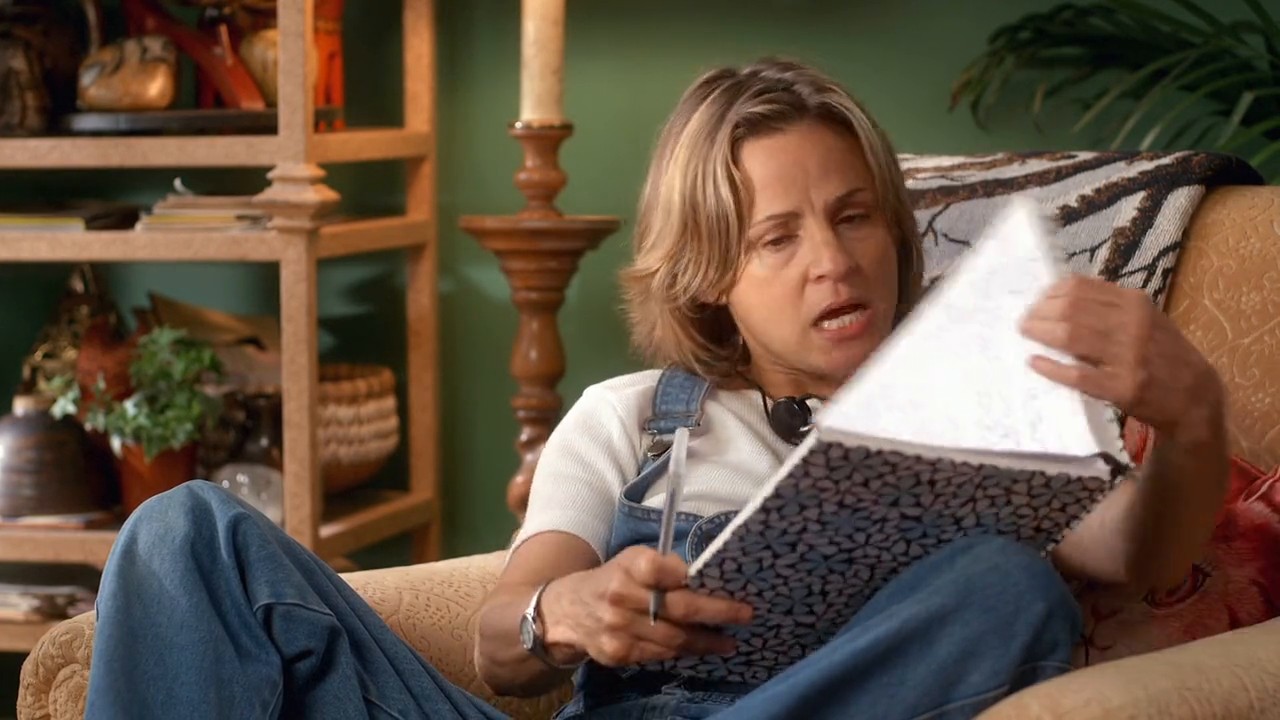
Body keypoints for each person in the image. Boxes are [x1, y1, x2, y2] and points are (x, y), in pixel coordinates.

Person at [84, 58, 1229, 720]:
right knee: (183, 534)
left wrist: (1188, 420)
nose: (831, 261)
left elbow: (1133, 555)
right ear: (710, 278)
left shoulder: (981, 403)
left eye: (851, 217)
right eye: (775, 238)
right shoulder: (628, 415)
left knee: (1002, 586)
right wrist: (561, 612)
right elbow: (497, 647)